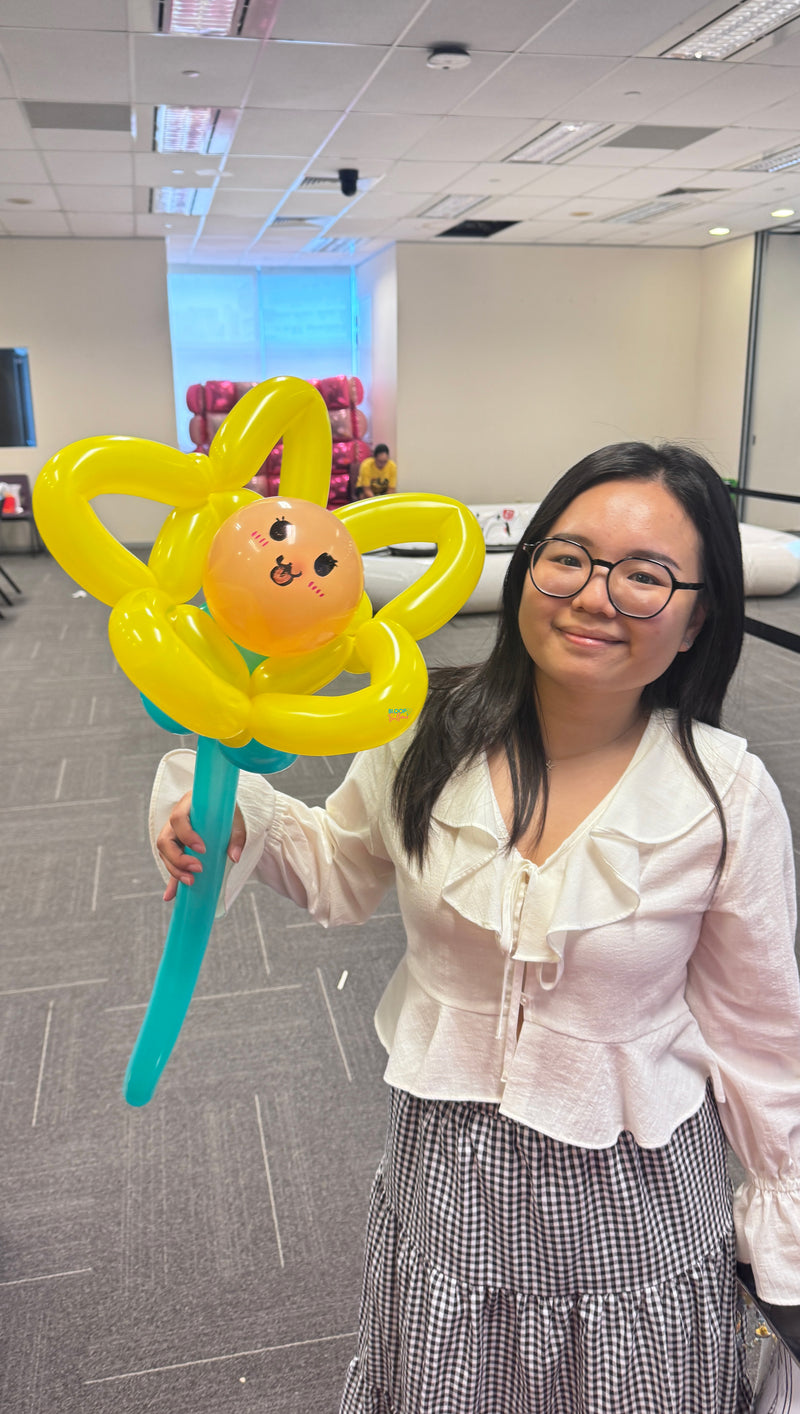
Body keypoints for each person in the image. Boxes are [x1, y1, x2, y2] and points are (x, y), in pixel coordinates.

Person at [154, 442, 800, 1414]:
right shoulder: (426, 725)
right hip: (447, 1189)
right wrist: (239, 820)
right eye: (567, 556)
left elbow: (760, 1040)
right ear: (525, 563)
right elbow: (338, 867)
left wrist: (784, 1248)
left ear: (698, 613)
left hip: (629, 1210)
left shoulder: (723, 796)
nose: (593, 594)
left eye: (643, 575)